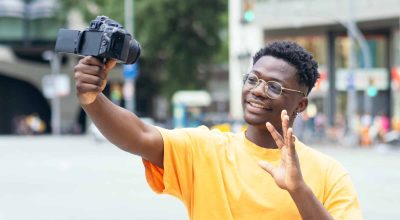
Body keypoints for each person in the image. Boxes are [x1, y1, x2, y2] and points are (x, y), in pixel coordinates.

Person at [73, 41, 362, 219]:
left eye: (274, 86)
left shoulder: (328, 174)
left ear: (301, 105)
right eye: (253, 79)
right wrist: (92, 99)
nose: (258, 91)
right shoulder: (206, 149)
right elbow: (139, 136)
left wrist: (299, 191)